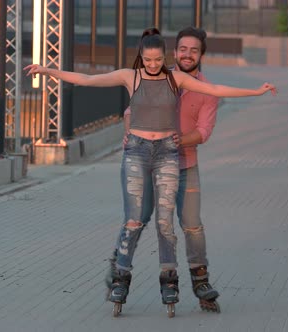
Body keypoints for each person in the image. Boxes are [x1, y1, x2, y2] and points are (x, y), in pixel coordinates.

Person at [24, 27, 277, 317]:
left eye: (159, 59)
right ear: (144, 56)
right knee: (134, 219)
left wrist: (256, 90)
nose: (154, 64)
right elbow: (88, 79)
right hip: (138, 153)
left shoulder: (178, 79)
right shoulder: (133, 76)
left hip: (173, 156)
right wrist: (47, 70)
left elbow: (215, 95)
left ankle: (179, 281)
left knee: (172, 223)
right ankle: (119, 276)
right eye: (149, 59)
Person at [123, 27, 222, 313]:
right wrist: (129, 134)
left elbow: (204, 131)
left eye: (194, 50)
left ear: (201, 54)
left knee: (191, 223)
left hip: (185, 165)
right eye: (183, 49)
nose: (187, 54)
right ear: (174, 52)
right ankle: (120, 276)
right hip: (148, 164)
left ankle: (201, 283)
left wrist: (181, 140)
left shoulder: (206, 91)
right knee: (138, 218)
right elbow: (130, 112)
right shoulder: (155, 75)